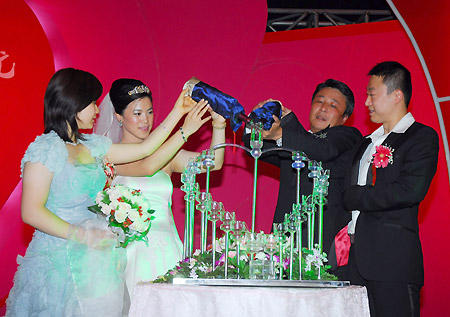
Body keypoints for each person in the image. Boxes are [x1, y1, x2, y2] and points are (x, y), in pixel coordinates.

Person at [6, 68, 197, 316]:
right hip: (57, 260)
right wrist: (80, 234)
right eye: (92, 103)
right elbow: (31, 211)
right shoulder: (44, 149)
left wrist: (178, 114)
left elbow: (146, 151)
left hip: (94, 263)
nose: (98, 111)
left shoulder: (93, 146)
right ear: (73, 104)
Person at [95, 78, 226, 301]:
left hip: (168, 248)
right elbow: (147, 165)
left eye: (149, 111)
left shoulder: (168, 155)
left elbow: (214, 162)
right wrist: (184, 131)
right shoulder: (109, 155)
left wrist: (219, 125)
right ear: (118, 116)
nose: (145, 120)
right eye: (137, 113)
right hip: (130, 253)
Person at [343, 61, 439, 316]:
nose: (366, 102)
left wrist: (356, 197)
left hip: (392, 260)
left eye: (371, 94)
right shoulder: (366, 143)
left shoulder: (420, 137)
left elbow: (410, 190)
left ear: (397, 95)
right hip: (356, 260)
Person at [242, 79, 362, 280]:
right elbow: (256, 150)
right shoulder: (296, 140)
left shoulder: (347, 135)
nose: (323, 108)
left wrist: (284, 128)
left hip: (321, 242)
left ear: (344, 117)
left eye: (333, 105)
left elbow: (323, 149)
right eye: (319, 101)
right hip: (284, 241)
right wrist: (254, 122)